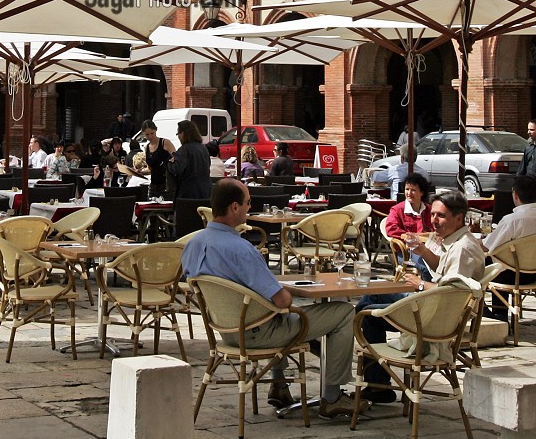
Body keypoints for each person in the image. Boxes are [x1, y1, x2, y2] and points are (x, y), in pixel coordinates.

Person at [182, 179, 367, 417]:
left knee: (273, 312)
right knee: (342, 312)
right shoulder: (241, 249)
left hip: (227, 330)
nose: (250, 208)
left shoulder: (193, 243)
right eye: (248, 203)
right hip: (258, 332)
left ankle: (279, 384)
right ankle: (332, 396)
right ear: (235, 207)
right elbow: (282, 301)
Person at [360, 190, 485, 402]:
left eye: (441, 216)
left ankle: (378, 384)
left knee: (366, 310)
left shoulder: (462, 247)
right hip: (434, 307)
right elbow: (446, 273)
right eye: (433, 215)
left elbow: (452, 293)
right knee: (371, 302)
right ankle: (378, 384)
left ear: (459, 218)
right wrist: (424, 252)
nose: (434, 221)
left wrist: (420, 285)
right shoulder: (455, 240)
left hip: (438, 318)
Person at [482, 175, 536, 320]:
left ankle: (498, 314)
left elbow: (487, 247)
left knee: (486, 262)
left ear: (515, 195)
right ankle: (497, 313)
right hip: (535, 273)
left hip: (508, 275)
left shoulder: (511, 221)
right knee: (502, 261)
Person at [169, 120, 212, 206]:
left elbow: (177, 169)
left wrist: (170, 163)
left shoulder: (183, 150)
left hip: (187, 195)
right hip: (205, 193)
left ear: (183, 133)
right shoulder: (203, 149)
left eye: (178, 134)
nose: (178, 137)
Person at [140, 120, 175, 198]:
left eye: (152, 133)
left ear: (156, 130)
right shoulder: (147, 147)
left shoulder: (165, 142)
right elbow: (150, 169)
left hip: (166, 185)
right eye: (147, 135)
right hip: (153, 186)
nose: (150, 137)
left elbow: (176, 158)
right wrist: (139, 172)